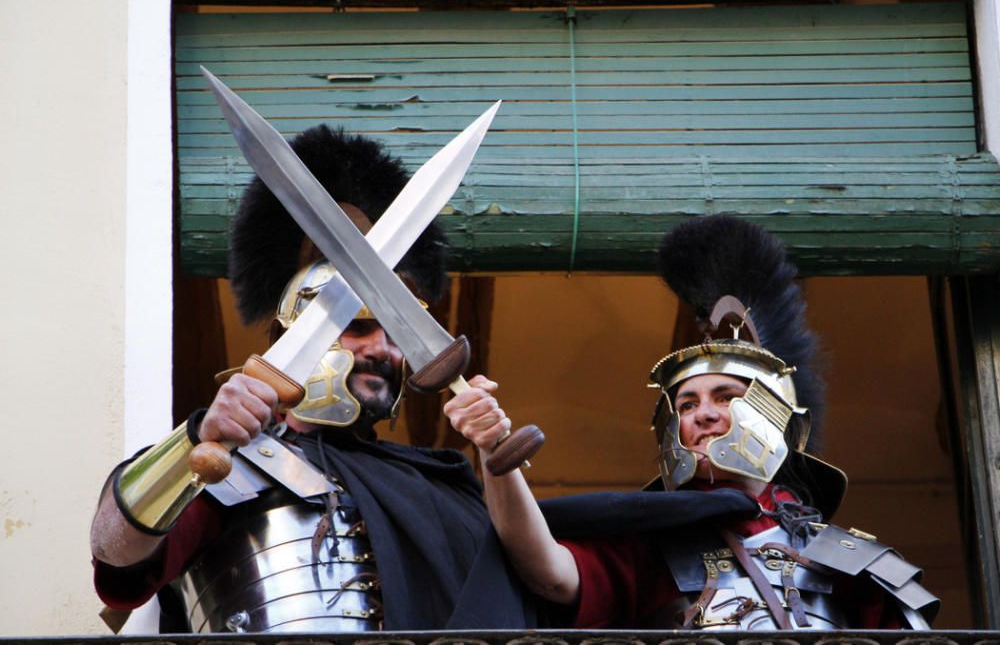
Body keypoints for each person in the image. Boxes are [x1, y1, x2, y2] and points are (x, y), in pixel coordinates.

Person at [89, 126, 535, 634]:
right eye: (360, 328)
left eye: (395, 336)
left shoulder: (442, 484)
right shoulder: (235, 468)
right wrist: (197, 437)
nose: (385, 350)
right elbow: (115, 554)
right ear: (297, 333)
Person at [446, 214, 940, 631]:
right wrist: (496, 456)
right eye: (685, 404)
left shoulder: (853, 559)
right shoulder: (648, 544)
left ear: (779, 418)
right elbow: (550, 572)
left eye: (725, 397)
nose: (702, 414)